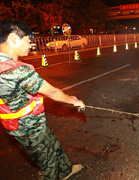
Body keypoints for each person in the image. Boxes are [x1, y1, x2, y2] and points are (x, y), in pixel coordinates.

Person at [0, 19, 85, 179]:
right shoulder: (17, 70)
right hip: (28, 128)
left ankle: (66, 171)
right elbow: (52, 92)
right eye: (28, 41)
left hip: (22, 125)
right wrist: (73, 100)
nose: (30, 45)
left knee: (54, 144)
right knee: (48, 164)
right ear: (13, 38)